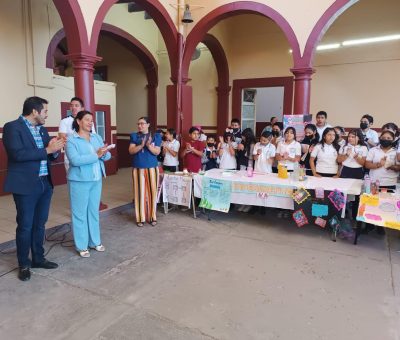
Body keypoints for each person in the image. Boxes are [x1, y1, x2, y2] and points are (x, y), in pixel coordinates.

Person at [3, 96, 65, 281]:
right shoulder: (12, 127)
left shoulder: (42, 129)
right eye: (45, 111)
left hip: (44, 183)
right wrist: (47, 150)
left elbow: (48, 156)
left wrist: (55, 149)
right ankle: (24, 264)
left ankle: (38, 258)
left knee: (40, 224)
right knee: (25, 226)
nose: (47, 114)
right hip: (25, 185)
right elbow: (17, 154)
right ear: (35, 112)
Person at [66, 111, 111, 258]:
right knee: (79, 214)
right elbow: (75, 160)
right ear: (78, 121)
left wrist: (104, 153)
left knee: (93, 212)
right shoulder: (72, 140)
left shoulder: (96, 137)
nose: (90, 122)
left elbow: (107, 155)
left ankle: (95, 242)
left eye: (91, 120)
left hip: (96, 179)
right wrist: (96, 155)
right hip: (79, 181)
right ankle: (81, 245)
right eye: (87, 120)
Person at [129, 117, 161, 227]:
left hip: (152, 167)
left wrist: (148, 146)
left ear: (148, 124)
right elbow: (131, 150)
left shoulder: (156, 136)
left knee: (152, 192)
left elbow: (157, 152)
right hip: (138, 168)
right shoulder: (134, 136)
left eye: (142, 123)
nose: (140, 126)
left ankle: (152, 217)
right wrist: (141, 145)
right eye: (138, 124)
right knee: (139, 193)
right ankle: (140, 218)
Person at [338, 129, 368, 221]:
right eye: (349, 136)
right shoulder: (344, 146)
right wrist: (347, 154)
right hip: (345, 171)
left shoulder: (363, 148)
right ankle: (340, 215)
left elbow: (363, 163)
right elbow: (339, 160)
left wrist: (355, 156)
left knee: (357, 196)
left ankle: (355, 217)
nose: (350, 138)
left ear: (359, 138)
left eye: (353, 137)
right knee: (342, 194)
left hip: (358, 172)